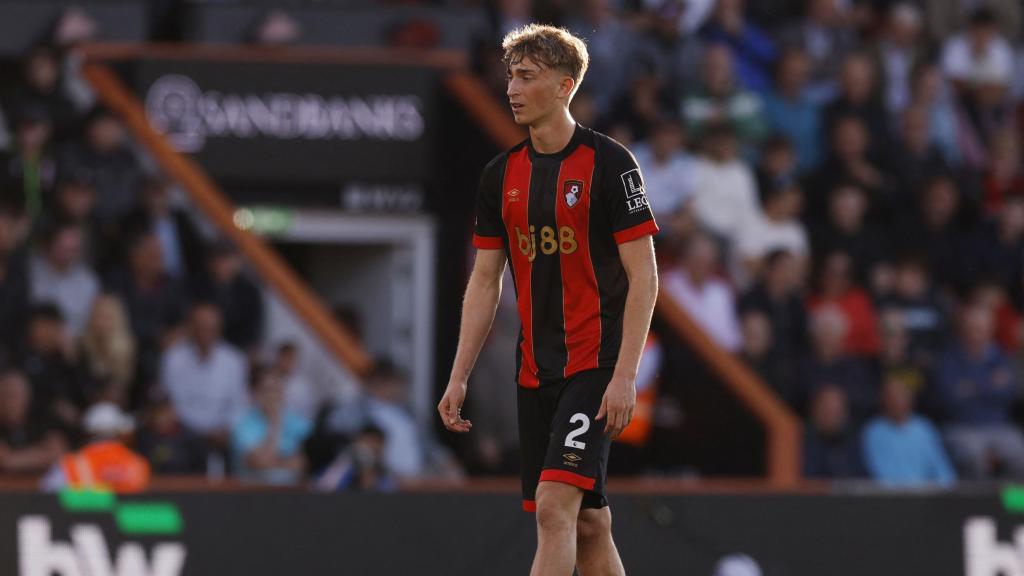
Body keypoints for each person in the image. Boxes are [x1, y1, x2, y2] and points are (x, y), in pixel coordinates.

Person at [437, 24, 658, 576]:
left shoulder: (611, 165)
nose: (512, 87)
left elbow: (644, 278)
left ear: (564, 86)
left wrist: (624, 374)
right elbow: (486, 280)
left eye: (526, 76)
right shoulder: (500, 176)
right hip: (535, 369)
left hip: (595, 365)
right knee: (588, 522)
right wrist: (459, 373)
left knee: (556, 510)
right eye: (511, 75)